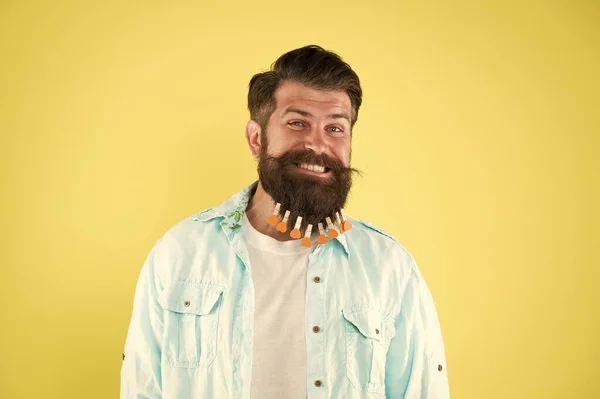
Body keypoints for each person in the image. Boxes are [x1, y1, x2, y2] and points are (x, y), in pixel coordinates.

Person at [120, 45, 450, 399]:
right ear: (256, 138)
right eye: (297, 123)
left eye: (335, 128)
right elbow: (142, 389)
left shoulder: (389, 267)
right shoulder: (180, 253)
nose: (318, 144)